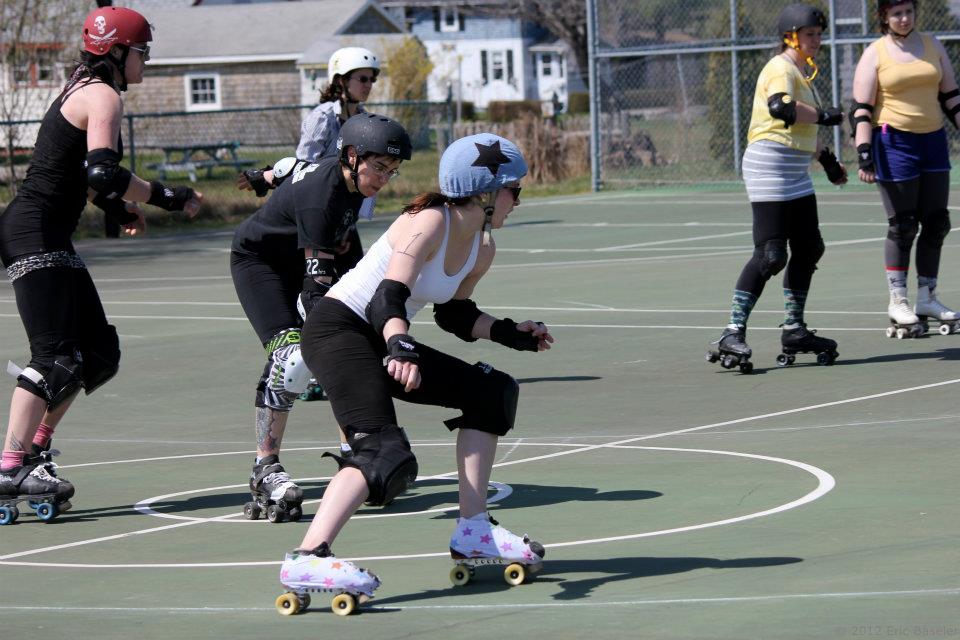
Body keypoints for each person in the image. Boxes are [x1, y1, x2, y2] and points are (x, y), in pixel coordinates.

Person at [275, 133, 553, 608]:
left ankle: (474, 531)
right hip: (338, 330)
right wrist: (399, 348)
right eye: (514, 190)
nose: (518, 200)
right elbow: (389, 296)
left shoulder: (480, 247)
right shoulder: (427, 220)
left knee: (491, 393)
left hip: (382, 336)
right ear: (484, 193)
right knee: (382, 450)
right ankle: (307, 556)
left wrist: (512, 333)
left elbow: (456, 315)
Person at [0, 6, 202, 522]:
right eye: (142, 53)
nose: (145, 62)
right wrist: (168, 196)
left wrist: (114, 206)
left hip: (46, 231)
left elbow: (84, 175)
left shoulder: (80, 89)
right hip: (34, 231)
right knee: (52, 356)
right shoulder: (102, 94)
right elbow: (104, 170)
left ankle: (35, 448)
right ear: (116, 51)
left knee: (96, 351)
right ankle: (8, 465)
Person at [230, 114, 412, 522]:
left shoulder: (350, 181)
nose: (384, 178)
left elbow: (291, 167)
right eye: (378, 167)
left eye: (392, 170)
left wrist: (265, 176)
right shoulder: (322, 197)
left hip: (310, 255)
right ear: (351, 155)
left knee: (356, 340)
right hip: (262, 263)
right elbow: (315, 295)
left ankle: (358, 445)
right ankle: (265, 467)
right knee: (294, 355)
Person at [706, 3, 845, 373]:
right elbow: (781, 108)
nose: (816, 40)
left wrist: (829, 162)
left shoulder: (801, 72)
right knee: (770, 254)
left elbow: (803, 129)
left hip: (795, 169)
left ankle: (794, 329)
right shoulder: (780, 67)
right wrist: (825, 115)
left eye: (818, 35)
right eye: (809, 35)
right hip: (769, 165)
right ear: (791, 37)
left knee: (809, 247)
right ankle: (731, 331)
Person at [239, 46, 383, 403]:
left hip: (344, 221)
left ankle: (352, 361)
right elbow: (304, 168)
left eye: (371, 79)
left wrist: (347, 228)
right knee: (314, 294)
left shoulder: (364, 119)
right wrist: (270, 177)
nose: (368, 85)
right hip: (314, 217)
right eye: (362, 78)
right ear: (341, 80)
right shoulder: (323, 117)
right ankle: (304, 371)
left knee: (358, 290)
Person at [851, 0, 960, 337]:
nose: (904, 18)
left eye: (909, 12)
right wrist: (864, 151)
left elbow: (952, 97)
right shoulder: (876, 53)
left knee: (937, 222)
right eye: (896, 13)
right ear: (884, 16)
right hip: (894, 143)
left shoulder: (932, 45)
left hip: (933, 142)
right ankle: (897, 300)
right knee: (903, 225)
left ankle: (927, 297)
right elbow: (861, 108)